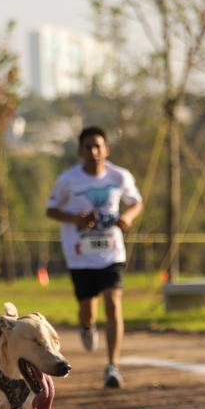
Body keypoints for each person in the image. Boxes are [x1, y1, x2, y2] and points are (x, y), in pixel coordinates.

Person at [45, 126, 143, 389]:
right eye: (88, 147)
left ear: (106, 149)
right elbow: (51, 209)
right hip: (80, 254)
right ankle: (87, 326)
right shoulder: (68, 180)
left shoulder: (119, 176)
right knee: (88, 310)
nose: (93, 152)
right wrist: (76, 219)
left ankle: (112, 366)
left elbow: (136, 202)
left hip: (111, 251)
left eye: (98, 146)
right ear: (80, 151)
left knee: (113, 303)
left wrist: (127, 217)